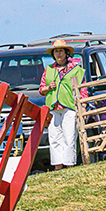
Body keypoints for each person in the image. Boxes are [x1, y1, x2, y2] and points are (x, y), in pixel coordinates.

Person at [40, 38, 86, 170]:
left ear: (66, 53)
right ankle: (57, 166)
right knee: (54, 138)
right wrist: (49, 88)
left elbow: (82, 88)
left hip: (69, 106)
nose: (58, 54)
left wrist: (82, 106)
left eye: (61, 51)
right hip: (53, 107)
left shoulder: (76, 69)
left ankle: (69, 164)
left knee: (69, 136)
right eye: (56, 52)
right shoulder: (48, 69)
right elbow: (41, 89)